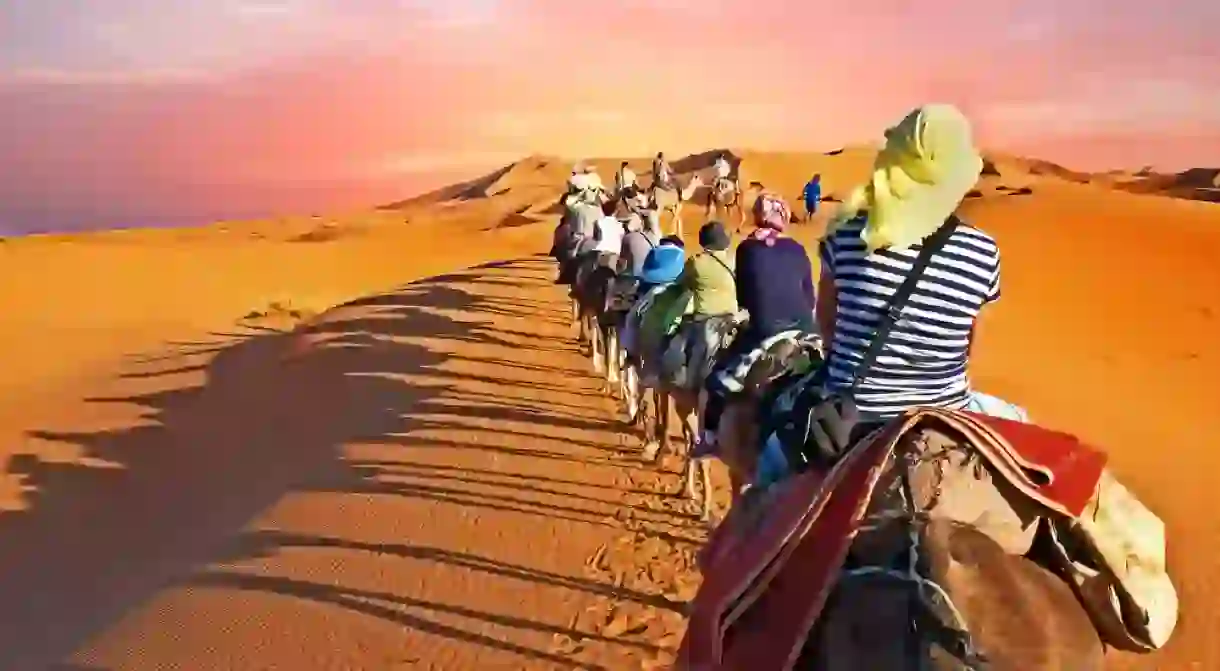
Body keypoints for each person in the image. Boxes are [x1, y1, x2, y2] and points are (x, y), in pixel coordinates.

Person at [815, 103, 1028, 422]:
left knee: (772, 460)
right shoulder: (983, 251)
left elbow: (827, 324)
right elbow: (970, 345)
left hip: (851, 413)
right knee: (1020, 420)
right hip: (944, 412)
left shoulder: (846, 237)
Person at [699, 193, 816, 450]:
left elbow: (744, 299)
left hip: (766, 332)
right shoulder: (798, 248)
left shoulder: (747, 248)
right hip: (808, 331)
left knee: (718, 381)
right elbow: (811, 297)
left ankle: (709, 438)